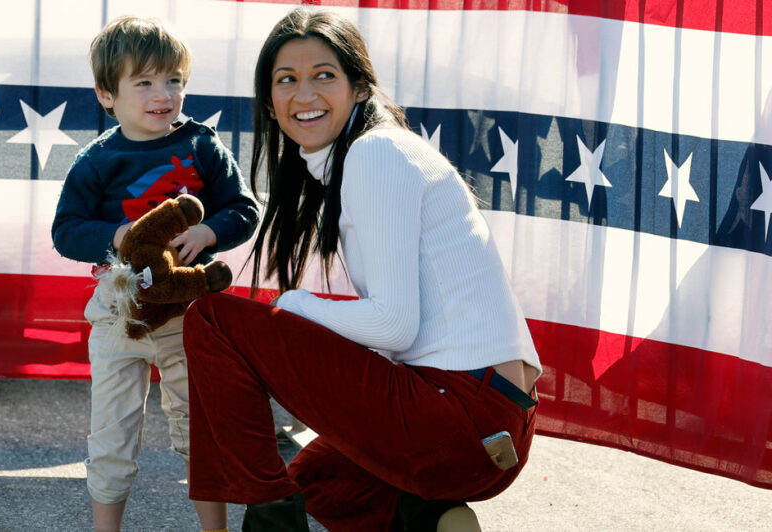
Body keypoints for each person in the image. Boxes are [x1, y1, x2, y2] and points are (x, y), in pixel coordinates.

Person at [182, 8, 541, 532]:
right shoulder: (372, 155)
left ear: (359, 87)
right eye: (287, 80)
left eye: (324, 75)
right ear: (270, 102)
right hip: (491, 428)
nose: (304, 95)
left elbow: (394, 325)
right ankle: (431, 519)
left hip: (466, 414)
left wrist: (290, 305)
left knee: (212, 319)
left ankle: (269, 526)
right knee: (316, 483)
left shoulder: (377, 154)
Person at [51, 15, 259, 532]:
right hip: (119, 311)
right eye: (143, 82)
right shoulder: (96, 160)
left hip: (190, 313)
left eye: (173, 80)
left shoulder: (202, 146)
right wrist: (117, 236)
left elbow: (244, 208)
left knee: (198, 428)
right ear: (107, 94)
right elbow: (67, 230)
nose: (161, 94)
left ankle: (216, 529)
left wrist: (209, 233)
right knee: (113, 434)